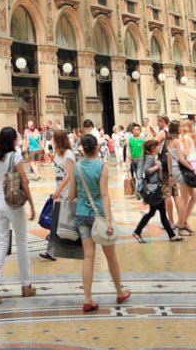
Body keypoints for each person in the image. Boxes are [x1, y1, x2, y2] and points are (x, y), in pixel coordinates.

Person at [63, 133, 129, 311]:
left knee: (88, 256)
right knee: (110, 255)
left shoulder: (76, 167)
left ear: (82, 149)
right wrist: (108, 220)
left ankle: (87, 298)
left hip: (82, 214)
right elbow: (105, 194)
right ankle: (119, 291)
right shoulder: (102, 167)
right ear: (97, 148)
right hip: (99, 215)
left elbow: (71, 195)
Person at [0, 126, 36, 303]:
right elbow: (23, 181)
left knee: (1, 243)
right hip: (14, 205)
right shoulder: (16, 156)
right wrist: (32, 204)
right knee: (21, 242)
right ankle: (26, 285)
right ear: (13, 139)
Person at [132, 139, 178, 243]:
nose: (158, 148)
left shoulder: (151, 157)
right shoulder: (150, 158)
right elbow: (146, 171)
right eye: (157, 146)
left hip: (156, 189)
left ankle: (171, 235)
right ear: (153, 148)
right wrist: (157, 166)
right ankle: (137, 232)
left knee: (157, 213)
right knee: (157, 213)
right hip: (154, 190)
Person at [40, 128, 75, 263]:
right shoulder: (58, 154)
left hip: (66, 192)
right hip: (59, 191)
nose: (52, 140)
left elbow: (70, 174)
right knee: (57, 221)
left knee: (64, 221)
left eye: (54, 138)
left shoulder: (68, 154)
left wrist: (58, 191)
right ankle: (52, 251)